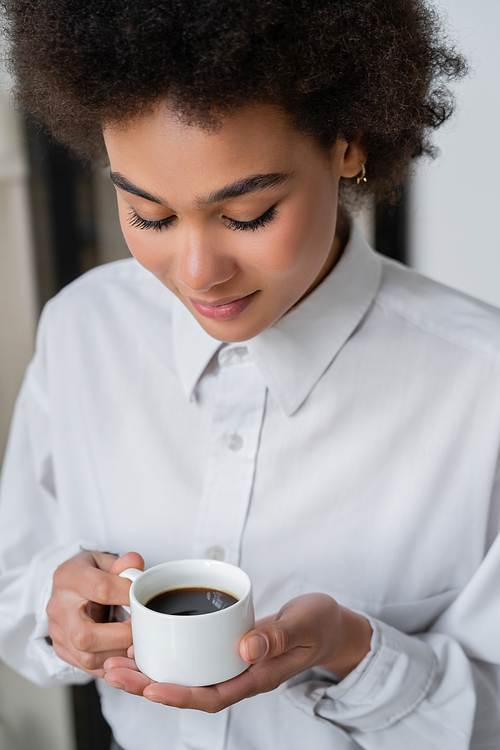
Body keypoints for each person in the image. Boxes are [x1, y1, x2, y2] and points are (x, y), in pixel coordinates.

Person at [0, 0, 498, 748]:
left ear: (348, 145)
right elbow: (16, 584)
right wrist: (58, 606)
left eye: (250, 214)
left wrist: (355, 653)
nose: (199, 274)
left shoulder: (480, 385)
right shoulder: (83, 330)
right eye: (150, 216)